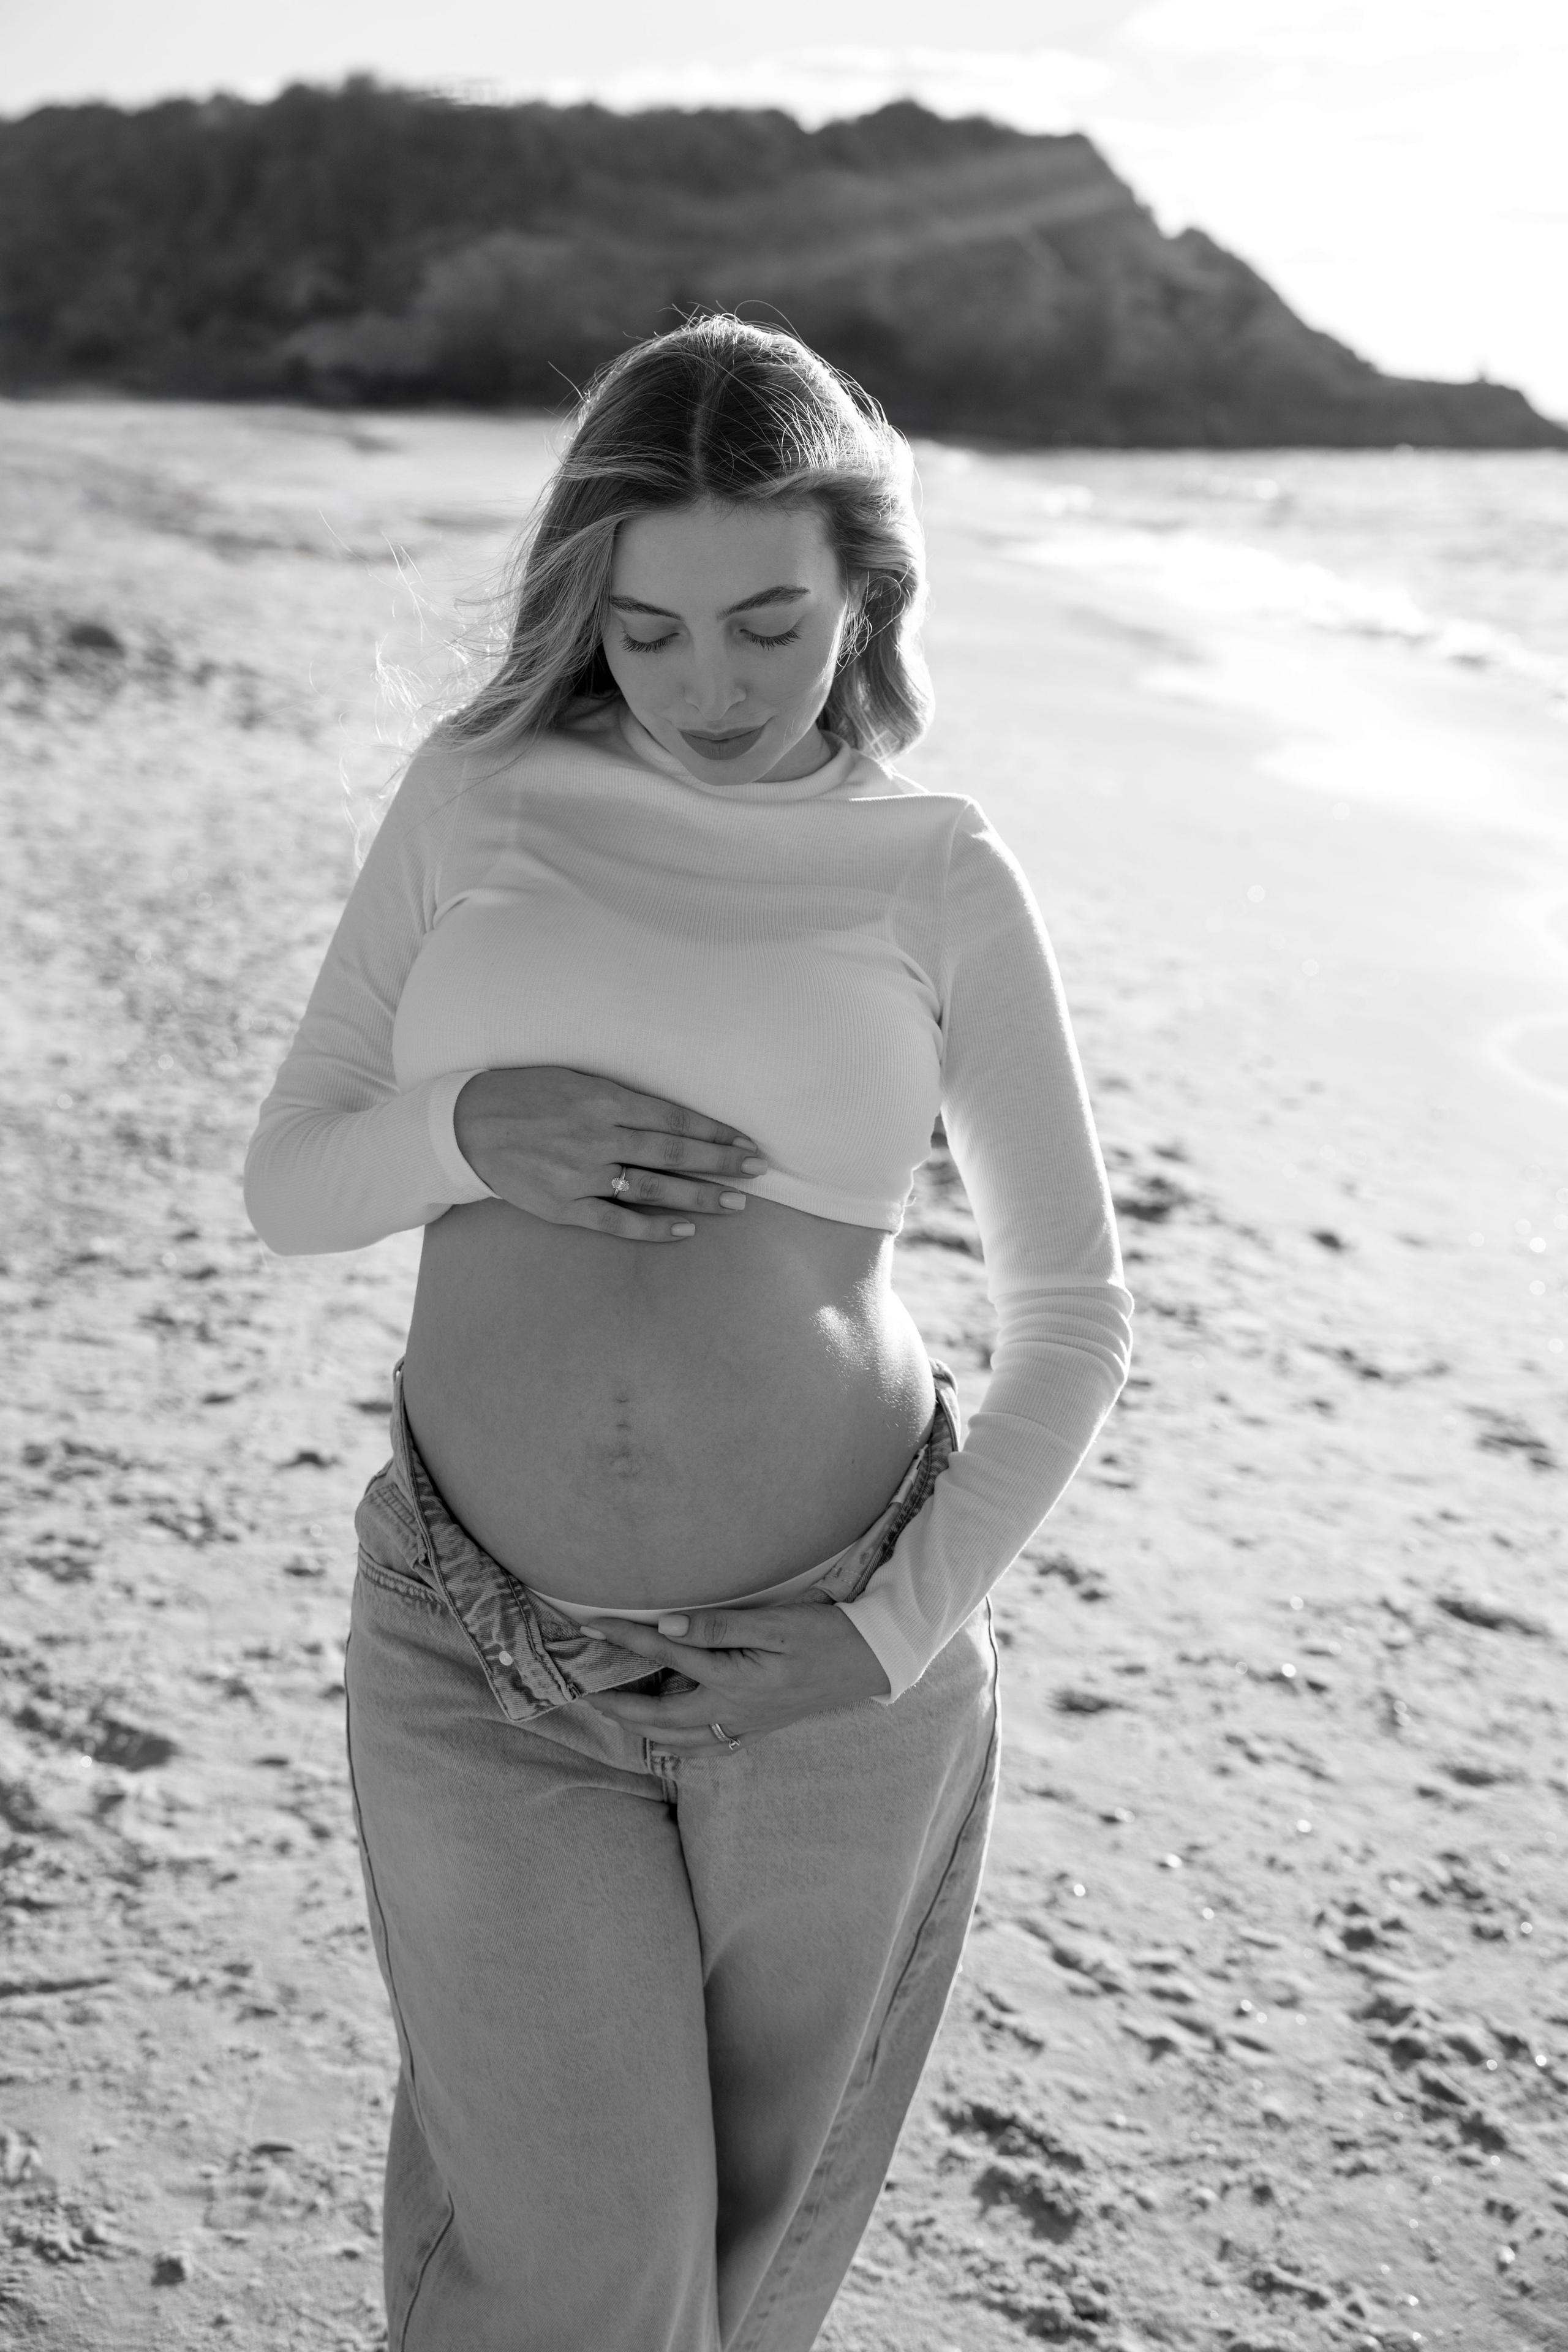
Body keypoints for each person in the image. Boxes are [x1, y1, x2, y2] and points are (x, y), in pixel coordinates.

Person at [244, 314, 1132, 2352]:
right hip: (476, 1644)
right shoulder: (479, 791)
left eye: (769, 620)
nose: (709, 687)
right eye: (647, 632)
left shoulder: (933, 869)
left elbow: (1074, 1316)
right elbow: (292, 1180)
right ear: (588, 603)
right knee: (580, 2262)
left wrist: (889, 1629)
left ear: (866, 596)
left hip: (828, 1665)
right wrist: (472, 1126)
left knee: (730, 2274)